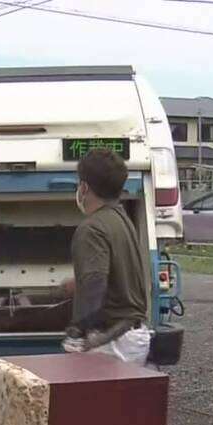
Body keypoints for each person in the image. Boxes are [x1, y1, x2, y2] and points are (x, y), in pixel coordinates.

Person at [63, 147, 154, 364]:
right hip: (132, 335)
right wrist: (79, 283)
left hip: (110, 341)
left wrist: (77, 331)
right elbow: (110, 274)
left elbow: (95, 283)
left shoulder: (91, 228)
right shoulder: (121, 220)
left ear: (84, 188)